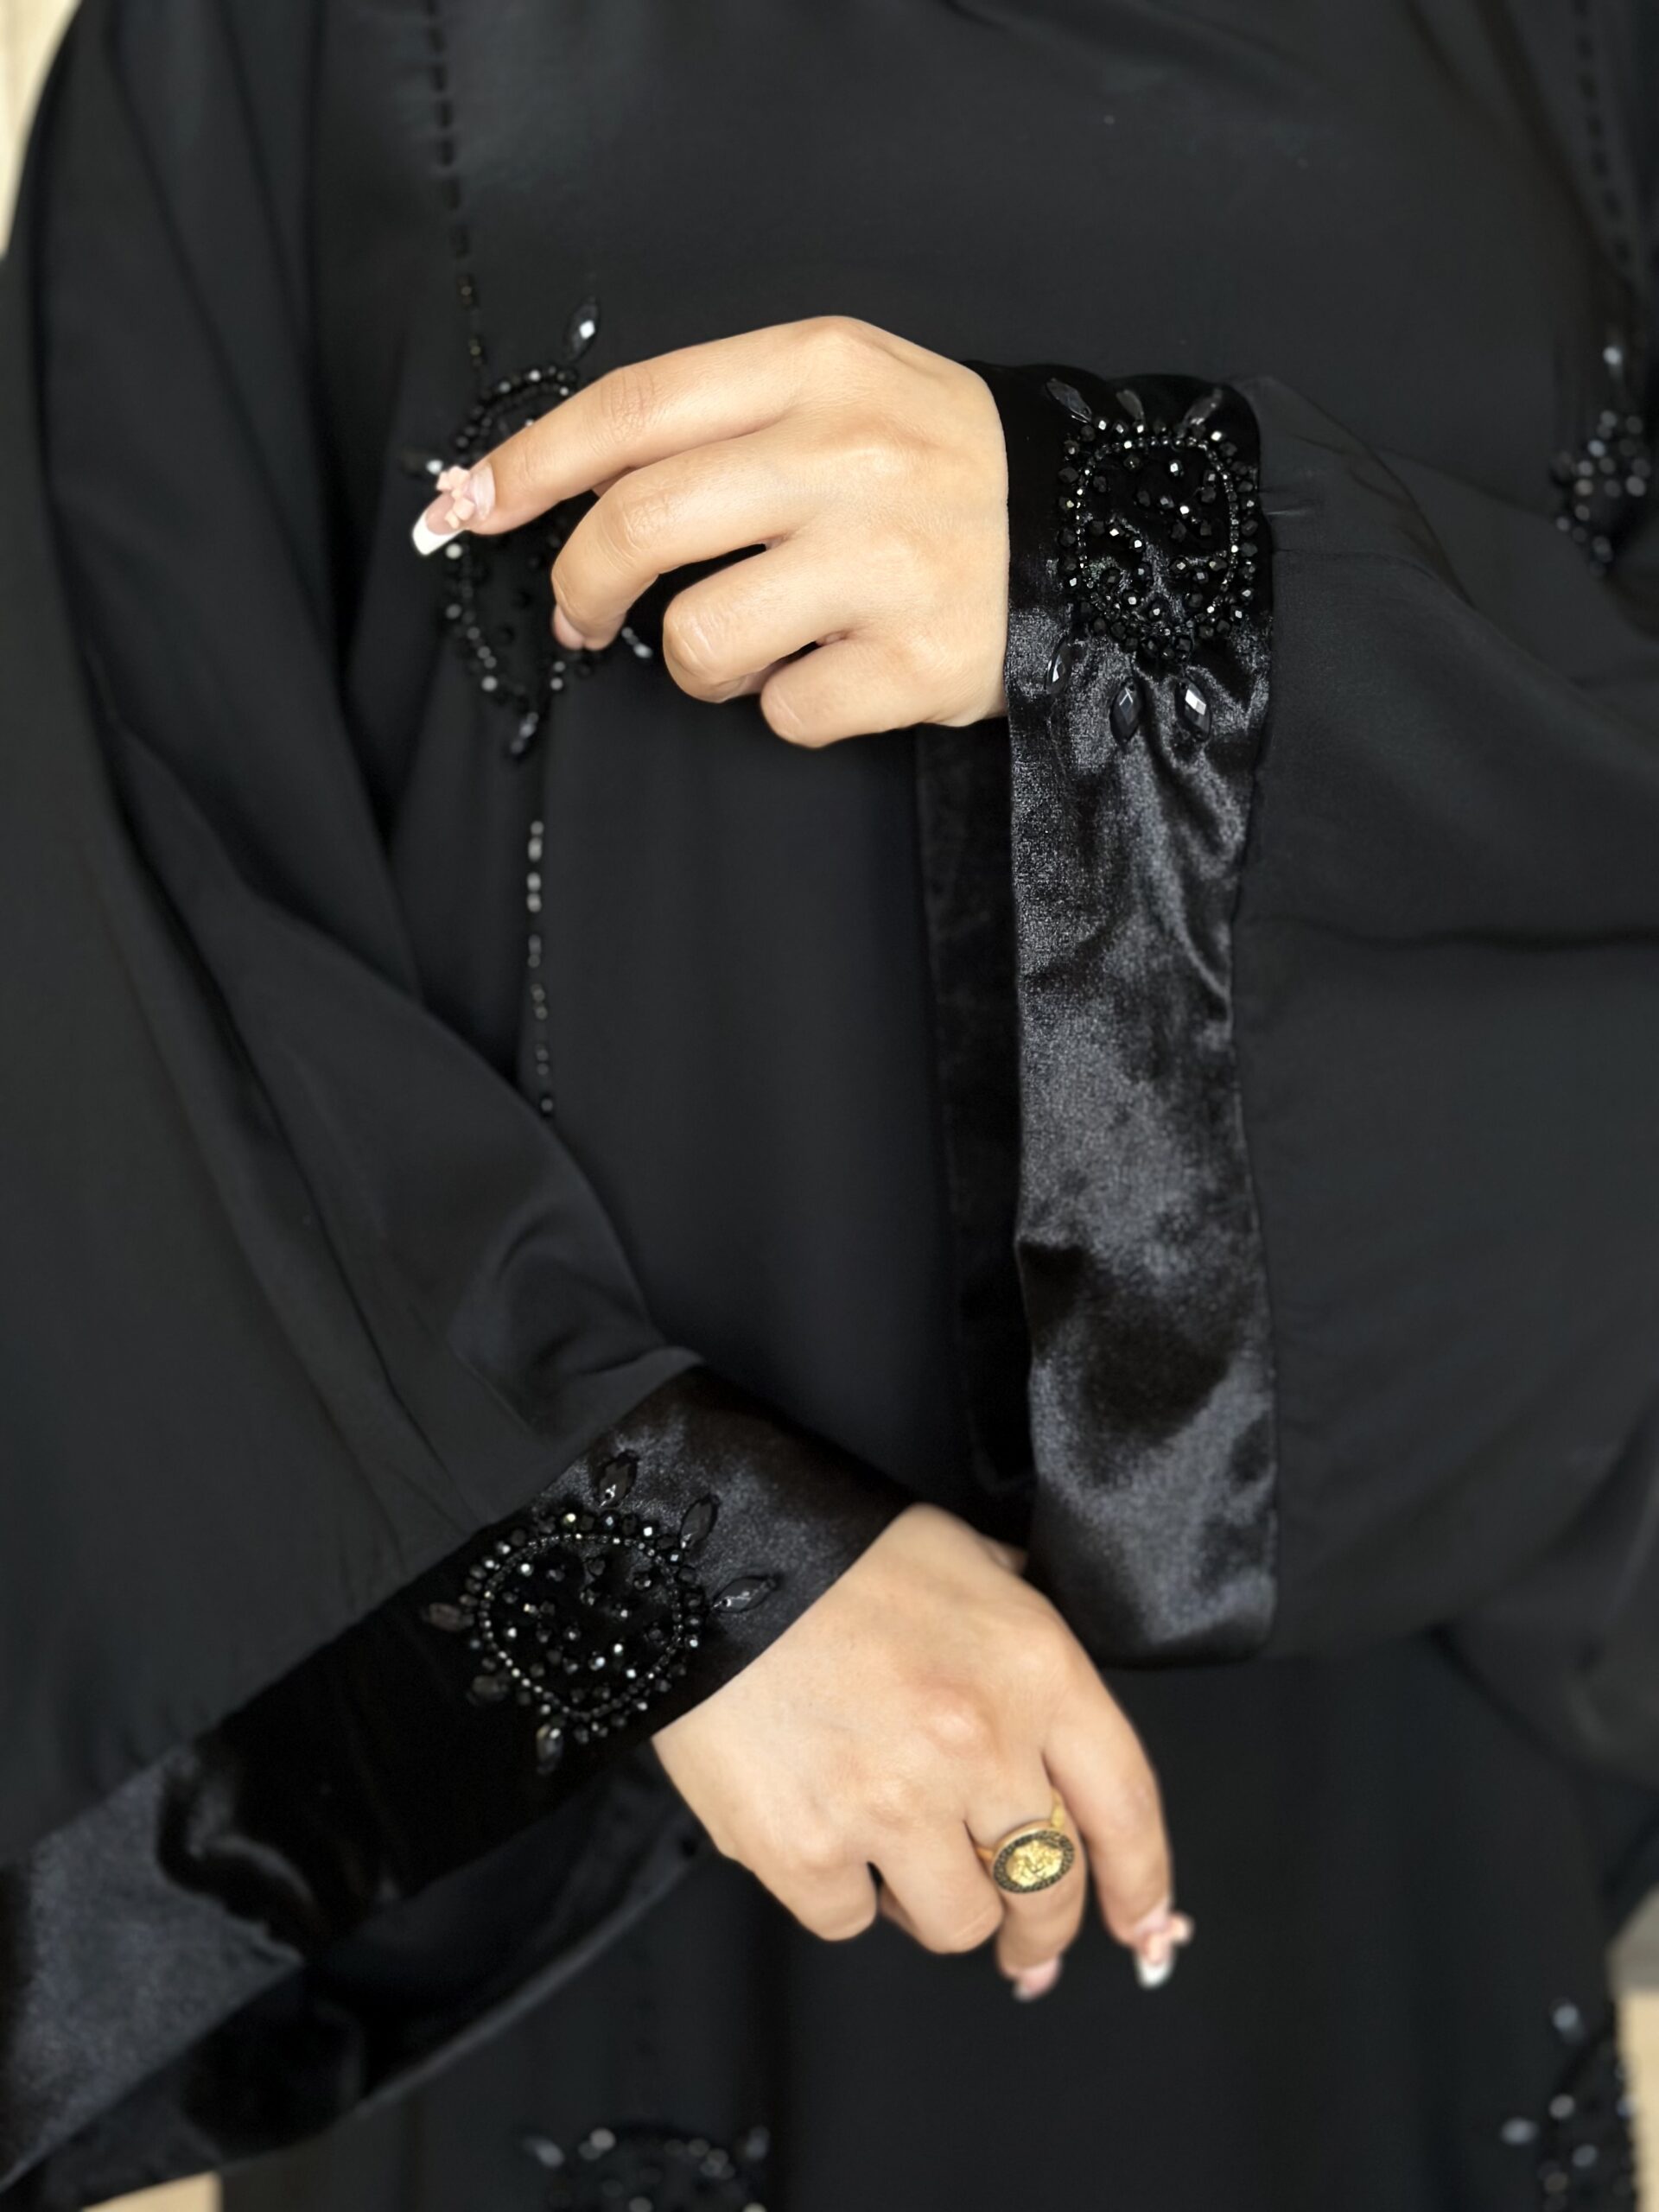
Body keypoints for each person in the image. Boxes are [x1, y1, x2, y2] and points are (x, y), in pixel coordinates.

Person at [3, 1, 1659, 2206]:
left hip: (1365, 1798)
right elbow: (100, 863)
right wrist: (664, 1566)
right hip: (616, 1819)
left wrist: (1131, 558)